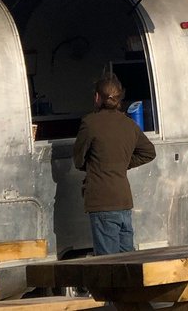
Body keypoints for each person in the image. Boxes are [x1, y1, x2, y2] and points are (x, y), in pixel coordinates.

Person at [72, 72, 156, 254]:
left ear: (97, 97)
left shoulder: (90, 123)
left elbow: (78, 160)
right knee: (127, 261)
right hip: (123, 200)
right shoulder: (130, 124)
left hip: (101, 200)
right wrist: (123, 163)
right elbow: (149, 152)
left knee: (108, 263)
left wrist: (98, 165)